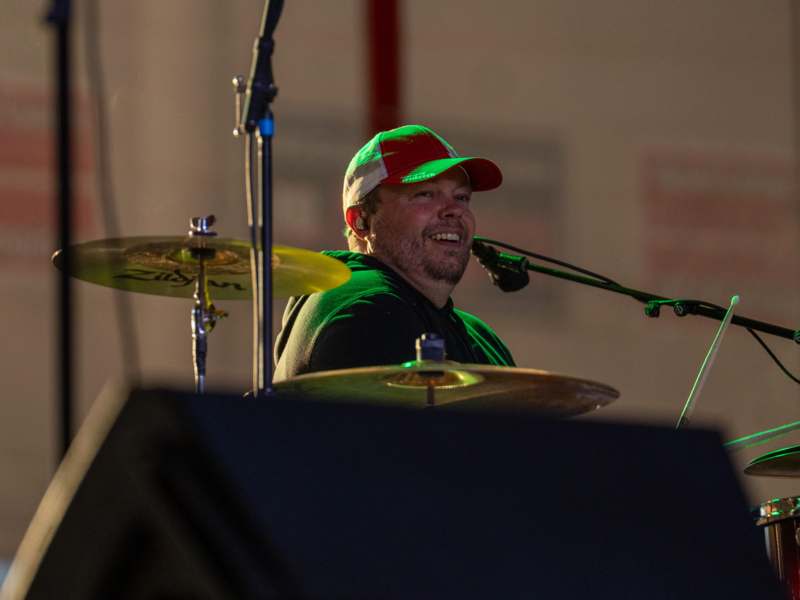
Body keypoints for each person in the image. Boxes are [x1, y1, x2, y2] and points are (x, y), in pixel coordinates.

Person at [273, 124, 515, 380]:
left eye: (461, 197)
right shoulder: (368, 307)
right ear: (361, 221)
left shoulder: (480, 336)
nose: (454, 210)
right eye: (425, 194)